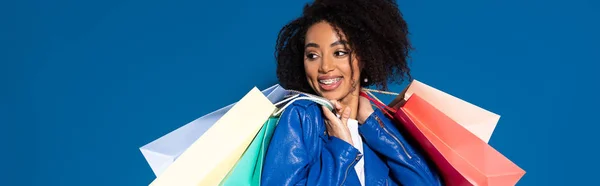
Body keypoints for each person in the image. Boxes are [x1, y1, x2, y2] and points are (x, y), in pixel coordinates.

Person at [262, 0, 443, 185]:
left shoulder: (375, 128)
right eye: (312, 55)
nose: (325, 67)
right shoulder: (302, 116)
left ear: (364, 56)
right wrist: (341, 150)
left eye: (339, 52)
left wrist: (375, 125)